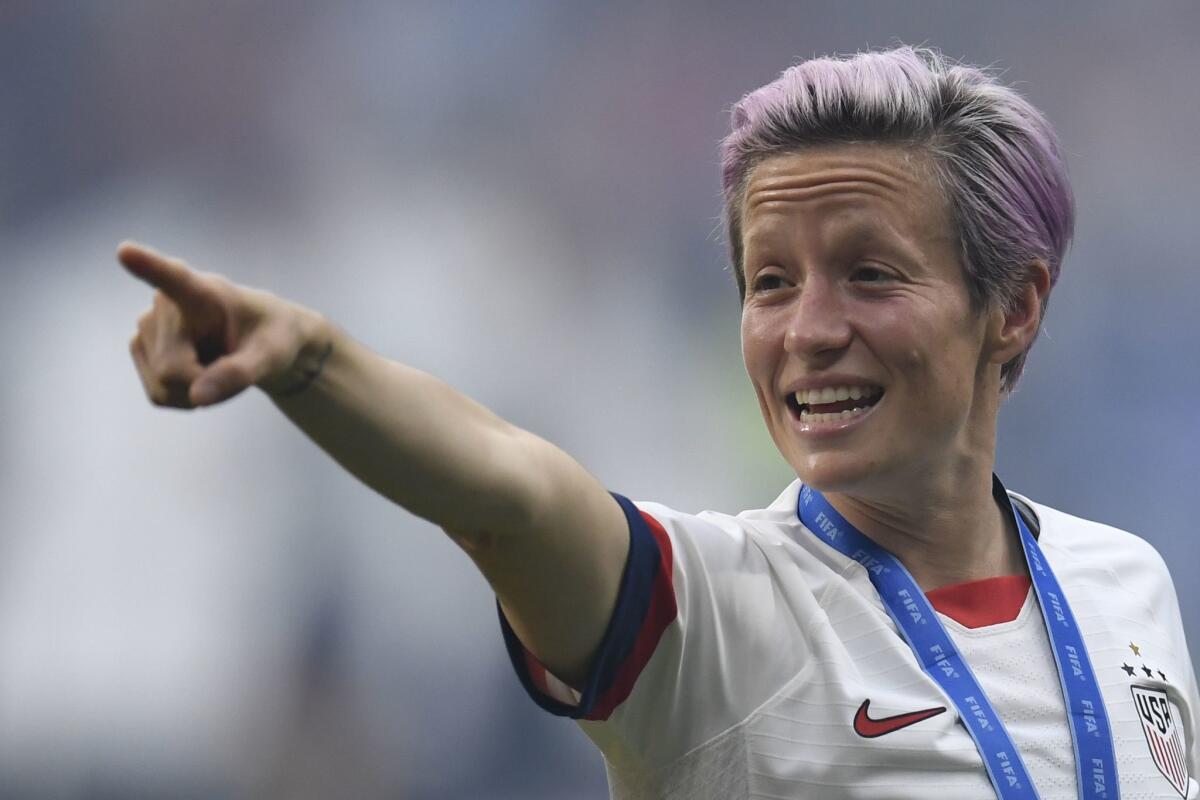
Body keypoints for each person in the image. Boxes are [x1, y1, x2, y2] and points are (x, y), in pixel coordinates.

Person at [121, 45, 1198, 799]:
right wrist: (313, 361)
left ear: (1013, 305)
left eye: (868, 274)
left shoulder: (1128, 582)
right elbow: (511, 492)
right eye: (771, 281)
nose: (808, 329)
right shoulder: (717, 609)